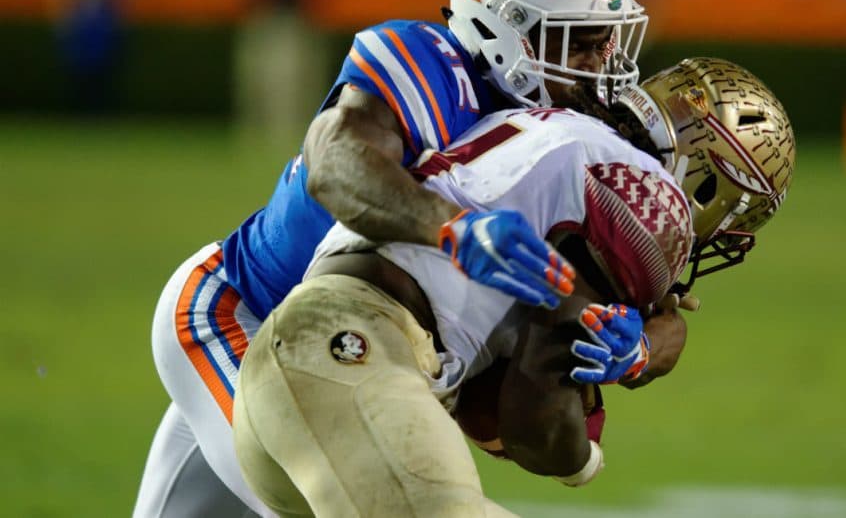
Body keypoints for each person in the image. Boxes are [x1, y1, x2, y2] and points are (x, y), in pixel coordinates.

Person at [133, 0, 652, 516]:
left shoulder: (571, 138)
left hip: (366, 354)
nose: (599, 65)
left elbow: (660, 292)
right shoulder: (431, 64)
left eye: (604, 41)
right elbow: (335, 165)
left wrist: (637, 346)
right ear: (507, 25)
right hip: (248, 315)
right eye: (576, 41)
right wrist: (453, 228)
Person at [230, 58, 796, 517]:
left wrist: (644, 347)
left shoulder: (555, 122)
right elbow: (531, 428)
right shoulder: (649, 203)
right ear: (703, 186)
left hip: (310, 374)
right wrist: (583, 460)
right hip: (352, 360)